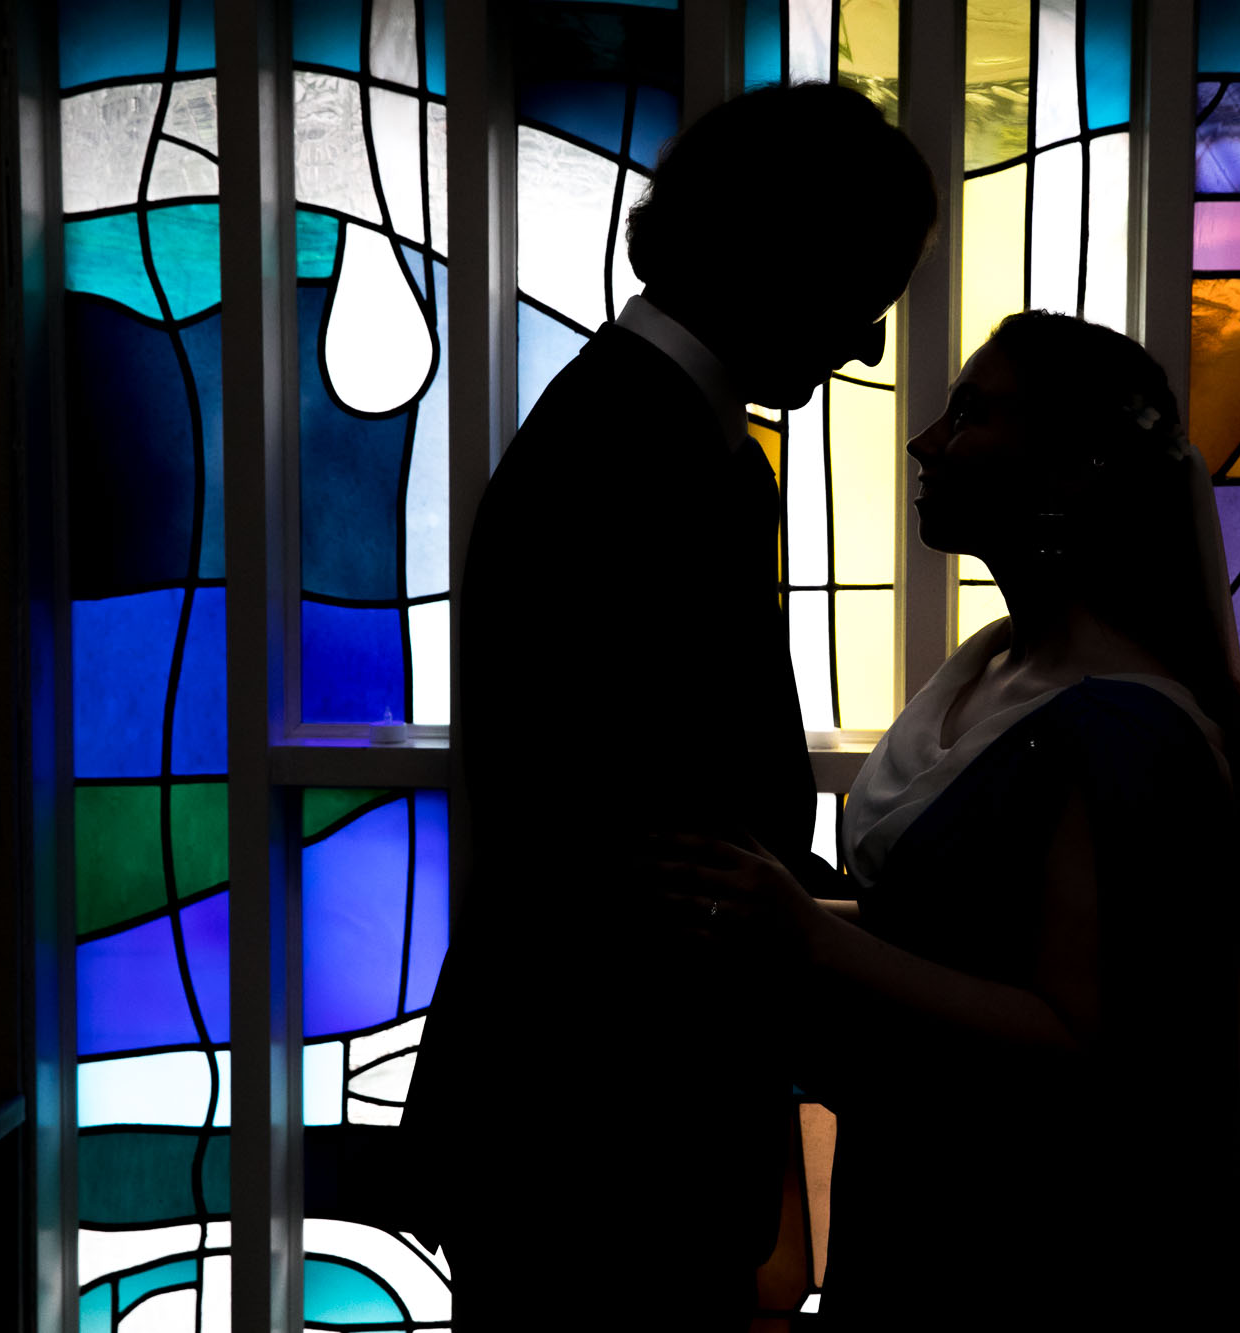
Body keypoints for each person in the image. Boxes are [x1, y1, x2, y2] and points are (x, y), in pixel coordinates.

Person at [401, 83, 936, 1328]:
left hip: (587, 1103)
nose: (862, 345)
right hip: (603, 1114)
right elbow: (661, 828)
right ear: (781, 257)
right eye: (862, 293)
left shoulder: (629, 422)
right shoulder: (653, 456)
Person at [657, 311, 1240, 1330]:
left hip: (1020, 1237)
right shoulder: (995, 662)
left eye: (970, 415)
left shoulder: (1120, 727)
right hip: (910, 1177)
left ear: (1075, 468)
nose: (923, 443)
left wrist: (808, 930)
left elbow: (1077, 1034)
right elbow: (947, 934)